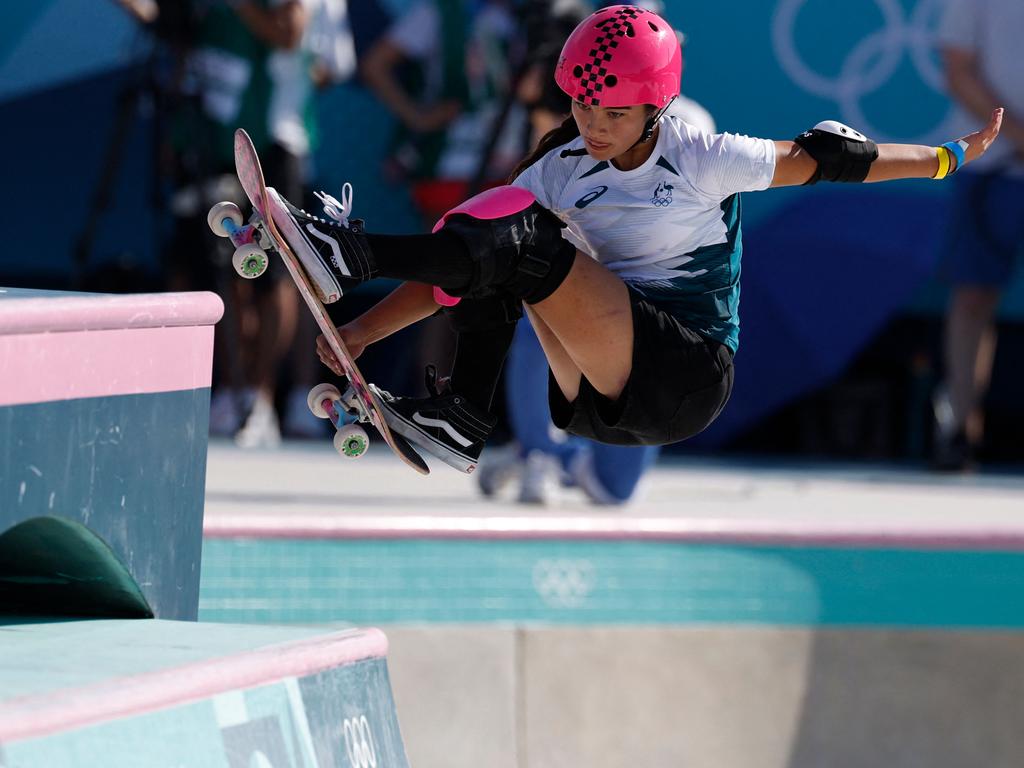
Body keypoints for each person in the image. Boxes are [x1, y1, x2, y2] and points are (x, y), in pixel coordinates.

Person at [266, 5, 1003, 475]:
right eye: (583, 105)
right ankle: (461, 417)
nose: (592, 124)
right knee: (500, 219)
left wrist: (947, 156)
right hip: (598, 386)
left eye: (613, 112)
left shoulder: (703, 156)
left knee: (520, 234)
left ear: (655, 108)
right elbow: (452, 272)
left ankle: (351, 253)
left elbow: (839, 160)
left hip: (685, 371)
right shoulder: (562, 167)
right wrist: (359, 332)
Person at [478, 0, 715, 505]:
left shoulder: (694, 125)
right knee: (539, 299)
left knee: (613, 490)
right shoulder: (583, 121)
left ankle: (536, 456)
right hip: (581, 274)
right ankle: (537, 451)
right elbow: (545, 170)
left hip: (647, 303)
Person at [931, 0, 1024, 471]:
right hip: (991, 166)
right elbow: (959, 68)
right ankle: (959, 429)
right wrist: (1019, 137)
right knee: (973, 299)